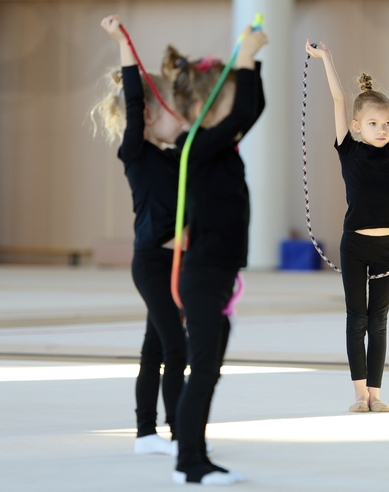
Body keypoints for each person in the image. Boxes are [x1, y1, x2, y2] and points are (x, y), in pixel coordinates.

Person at [160, 25, 266, 485]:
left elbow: (246, 109)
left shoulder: (213, 148)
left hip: (215, 273)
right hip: (203, 274)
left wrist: (249, 64)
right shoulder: (195, 147)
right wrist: (247, 57)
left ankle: (196, 452)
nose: (233, 117)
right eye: (226, 106)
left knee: (209, 367)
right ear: (206, 109)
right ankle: (191, 463)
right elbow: (248, 107)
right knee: (202, 367)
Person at [304, 33, 389, 413]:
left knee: (380, 320)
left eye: (387, 122)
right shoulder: (349, 148)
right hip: (355, 244)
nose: (383, 128)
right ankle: (359, 393)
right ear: (357, 126)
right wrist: (325, 57)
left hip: (387, 245)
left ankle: (377, 392)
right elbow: (340, 99)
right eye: (373, 123)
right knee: (356, 317)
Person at [92, 14, 187, 456]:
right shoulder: (136, 153)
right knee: (176, 347)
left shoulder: (175, 159)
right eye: (172, 111)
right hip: (151, 262)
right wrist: (124, 43)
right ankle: (179, 434)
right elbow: (134, 97)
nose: (180, 119)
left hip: (177, 264)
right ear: (149, 116)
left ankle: (146, 435)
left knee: (154, 349)